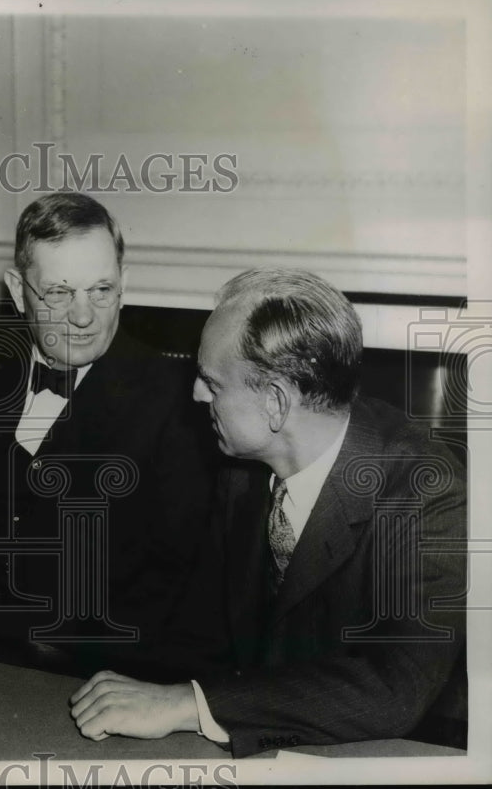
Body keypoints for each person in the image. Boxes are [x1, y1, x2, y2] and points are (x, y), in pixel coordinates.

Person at [70, 268, 467, 755]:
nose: (195, 394)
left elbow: (394, 690)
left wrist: (191, 705)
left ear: (276, 403)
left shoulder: (428, 491)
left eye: (212, 383)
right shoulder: (243, 467)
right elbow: (201, 630)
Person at [0, 193, 223, 679]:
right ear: (19, 292)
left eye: (101, 290)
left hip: (98, 676)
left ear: (124, 284)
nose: (84, 317)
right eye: (60, 293)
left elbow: (181, 591)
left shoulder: (183, 406)